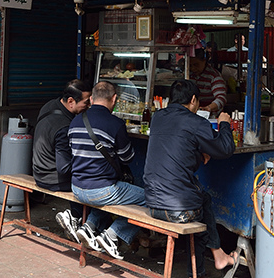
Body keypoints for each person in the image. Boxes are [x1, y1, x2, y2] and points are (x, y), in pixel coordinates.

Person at [144, 80, 237, 277]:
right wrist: (224, 124)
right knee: (201, 207)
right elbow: (225, 149)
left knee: (201, 199)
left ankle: (217, 256)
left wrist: (198, 154)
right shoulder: (196, 122)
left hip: (152, 203)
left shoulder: (157, 117)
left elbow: (178, 148)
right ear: (194, 100)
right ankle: (203, 268)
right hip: (176, 209)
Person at [68, 81, 145, 260]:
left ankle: (89, 227)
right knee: (151, 199)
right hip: (101, 191)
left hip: (77, 188)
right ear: (114, 99)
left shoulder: (75, 121)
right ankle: (112, 234)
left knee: (107, 192)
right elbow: (128, 158)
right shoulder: (115, 124)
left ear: (92, 99)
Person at [32, 79, 92, 242]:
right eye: (86, 102)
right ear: (71, 101)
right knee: (94, 185)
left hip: (38, 172)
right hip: (51, 179)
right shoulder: (64, 126)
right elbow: (64, 168)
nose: (88, 106)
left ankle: (77, 218)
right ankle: (77, 219)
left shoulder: (50, 105)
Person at [189, 49, 227, 114]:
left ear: (204, 61)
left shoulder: (214, 76)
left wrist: (209, 108)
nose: (193, 68)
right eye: (190, 65)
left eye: (196, 64)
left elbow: (221, 98)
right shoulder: (189, 75)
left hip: (211, 115)